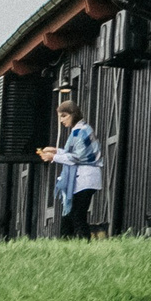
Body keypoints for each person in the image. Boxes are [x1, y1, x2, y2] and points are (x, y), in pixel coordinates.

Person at [36, 101, 104, 239]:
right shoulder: (79, 130)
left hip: (85, 178)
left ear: (73, 114)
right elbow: (73, 154)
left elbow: (77, 157)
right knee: (70, 217)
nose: (61, 120)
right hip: (83, 178)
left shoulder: (81, 131)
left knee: (77, 216)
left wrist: (54, 156)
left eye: (64, 116)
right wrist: (56, 151)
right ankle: (68, 244)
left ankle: (82, 244)